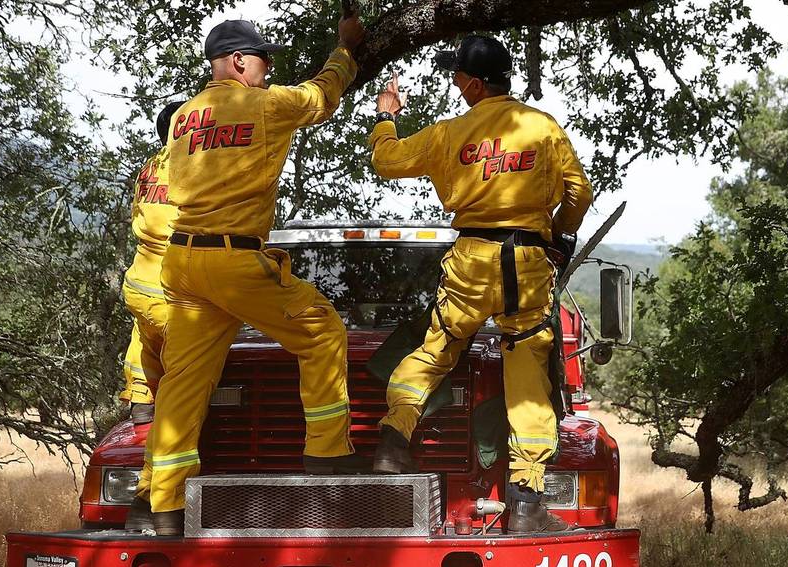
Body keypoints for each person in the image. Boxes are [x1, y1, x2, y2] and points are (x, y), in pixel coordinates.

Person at [142, 13, 366, 535]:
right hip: (234, 259)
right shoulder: (266, 105)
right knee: (321, 332)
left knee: (183, 382)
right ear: (239, 61)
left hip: (183, 262)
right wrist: (344, 50)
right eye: (265, 60)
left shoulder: (183, 119)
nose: (268, 70)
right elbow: (321, 95)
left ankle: (164, 506)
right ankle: (328, 455)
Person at [367, 35, 593, 533]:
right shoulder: (541, 126)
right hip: (527, 262)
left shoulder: (449, 133)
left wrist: (386, 116)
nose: (454, 84)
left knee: (435, 349)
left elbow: (385, 162)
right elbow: (579, 190)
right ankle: (527, 503)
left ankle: (393, 440)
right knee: (528, 366)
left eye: (455, 76)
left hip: (471, 258)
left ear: (471, 84)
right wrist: (557, 234)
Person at [120, 102, 184, 430]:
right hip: (170, 287)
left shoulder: (150, 166)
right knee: (188, 363)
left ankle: (141, 400)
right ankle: (175, 424)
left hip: (140, 282)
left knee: (145, 335)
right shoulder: (190, 166)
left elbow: (137, 214)